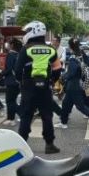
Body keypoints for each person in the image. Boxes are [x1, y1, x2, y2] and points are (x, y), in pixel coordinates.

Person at [16, 21, 61, 154]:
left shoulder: (26, 49)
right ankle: (49, 145)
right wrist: (52, 81)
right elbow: (58, 68)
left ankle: (21, 146)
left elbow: (18, 70)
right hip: (45, 87)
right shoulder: (51, 50)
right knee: (47, 116)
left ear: (33, 32)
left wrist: (22, 82)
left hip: (29, 86)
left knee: (26, 116)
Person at [56, 38, 89, 130]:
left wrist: (63, 76)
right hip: (76, 83)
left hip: (73, 84)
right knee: (66, 104)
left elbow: (72, 72)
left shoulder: (73, 57)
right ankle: (63, 122)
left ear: (70, 46)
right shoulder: (80, 54)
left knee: (80, 106)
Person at [2, 38, 22, 126]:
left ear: (12, 45)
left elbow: (9, 69)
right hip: (17, 81)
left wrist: (0, 73)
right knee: (12, 100)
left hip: (11, 81)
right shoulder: (19, 55)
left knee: (10, 101)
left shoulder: (11, 55)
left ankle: (22, 114)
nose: (7, 45)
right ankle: (11, 119)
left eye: (9, 43)